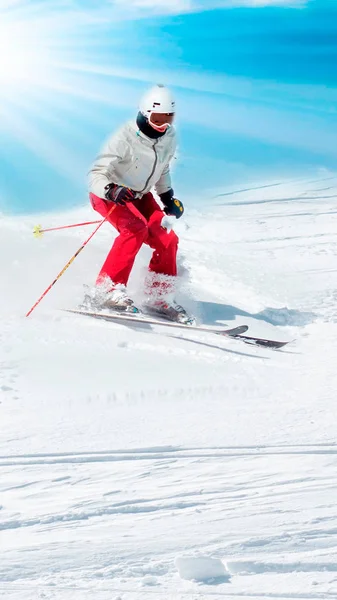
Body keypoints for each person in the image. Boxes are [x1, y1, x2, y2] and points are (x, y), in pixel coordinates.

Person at [87, 84, 192, 324]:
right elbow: (96, 174)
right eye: (157, 118)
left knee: (167, 238)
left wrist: (167, 197)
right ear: (145, 113)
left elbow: (163, 167)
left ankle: (159, 297)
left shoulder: (169, 136)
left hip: (140, 196)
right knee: (134, 229)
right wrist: (111, 190)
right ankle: (107, 291)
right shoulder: (123, 137)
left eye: (168, 118)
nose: (163, 125)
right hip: (110, 194)